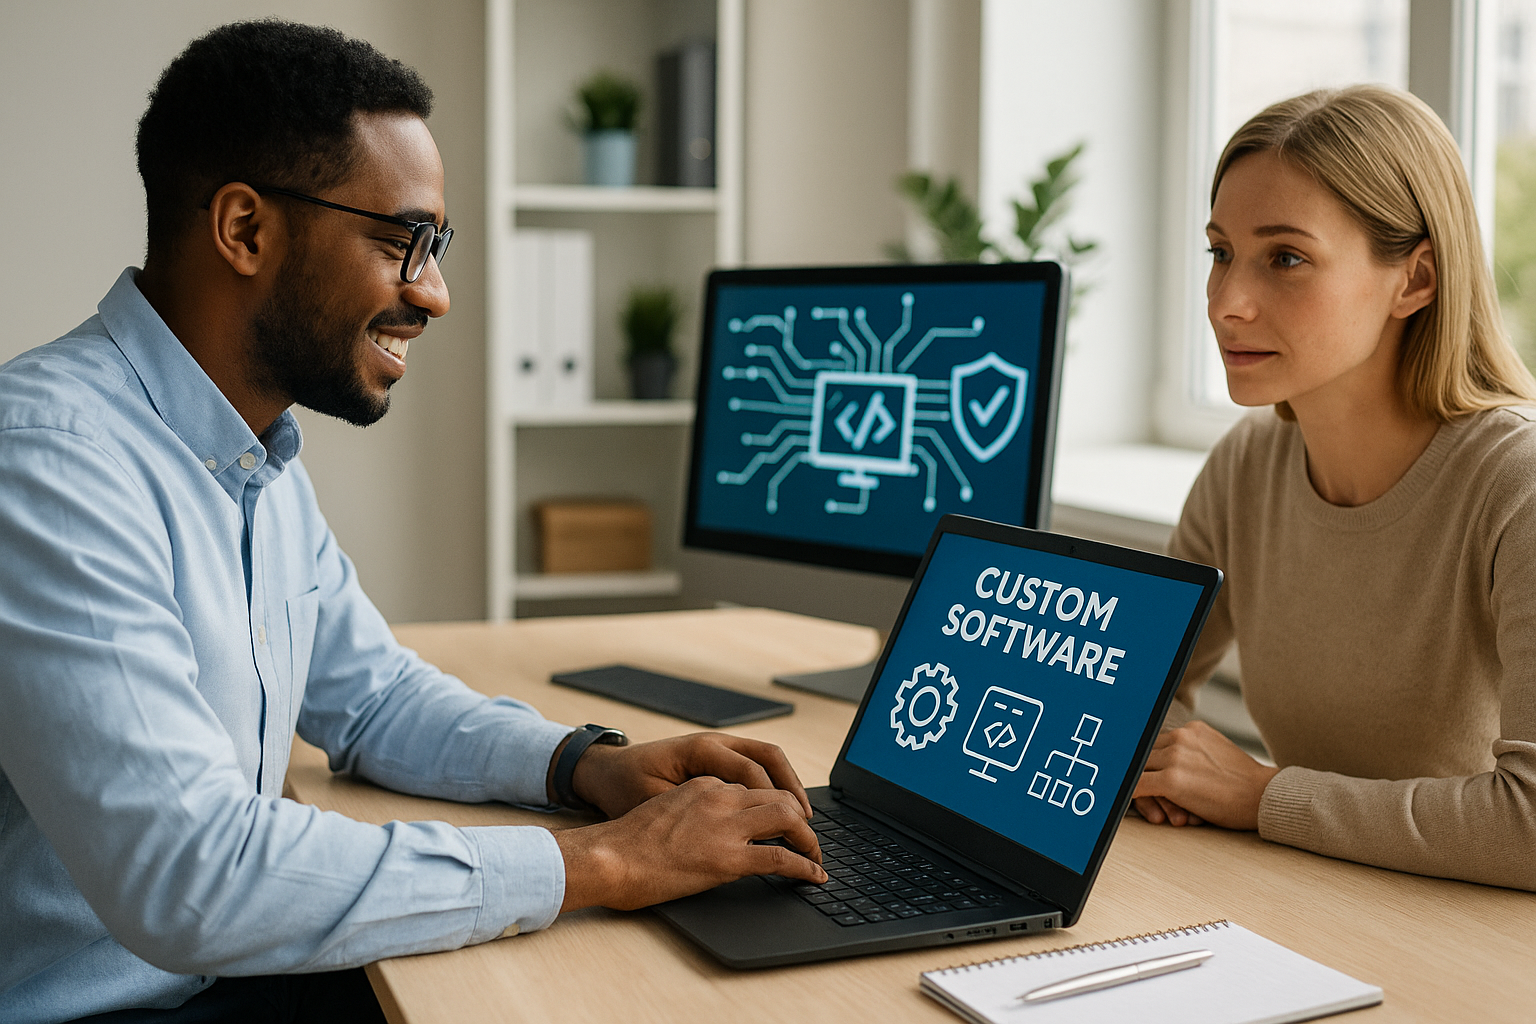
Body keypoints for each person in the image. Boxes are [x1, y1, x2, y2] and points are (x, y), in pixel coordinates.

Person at [0, 21, 825, 1023]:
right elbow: (192, 875)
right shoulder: (48, 462)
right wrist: (603, 859)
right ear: (246, 230)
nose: (434, 293)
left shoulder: (253, 455)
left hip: (222, 976)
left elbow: (373, 700)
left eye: (437, 246)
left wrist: (583, 766)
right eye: (403, 241)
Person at [1131, 84, 1536, 892]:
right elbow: (1137, 701)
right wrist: (1168, 759)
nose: (1226, 303)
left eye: (1285, 259)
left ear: (1415, 279)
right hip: (1320, 899)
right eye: (1220, 253)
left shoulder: (1515, 488)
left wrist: (1263, 796)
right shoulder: (1246, 466)